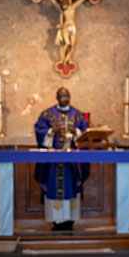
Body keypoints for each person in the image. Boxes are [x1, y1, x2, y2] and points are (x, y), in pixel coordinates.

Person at [33, 87, 89, 231]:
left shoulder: (78, 115)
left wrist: (75, 131)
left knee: (71, 187)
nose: (65, 99)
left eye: (67, 96)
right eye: (62, 96)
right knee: (53, 188)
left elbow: (86, 134)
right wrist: (52, 131)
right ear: (56, 97)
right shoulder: (47, 114)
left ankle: (70, 220)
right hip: (53, 162)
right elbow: (39, 131)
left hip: (71, 163)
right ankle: (56, 221)